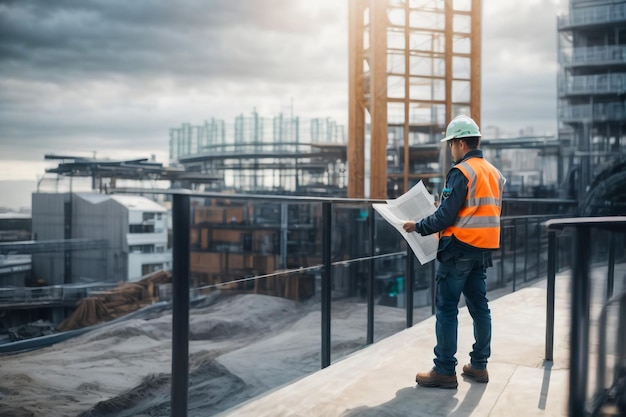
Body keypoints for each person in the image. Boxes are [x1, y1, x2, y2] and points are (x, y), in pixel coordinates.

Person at [402, 115, 505, 389]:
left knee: (447, 309)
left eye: (451, 144)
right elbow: (476, 210)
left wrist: (418, 226)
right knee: (480, 308)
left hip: (458, 250)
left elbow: (445, 217)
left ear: (460, 143)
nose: (450, 150)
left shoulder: (462, 172)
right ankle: (479, 366)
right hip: (483, 251)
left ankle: (445, 370)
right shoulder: (493, 173)